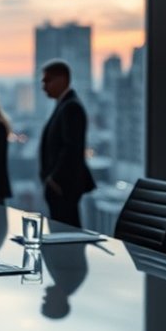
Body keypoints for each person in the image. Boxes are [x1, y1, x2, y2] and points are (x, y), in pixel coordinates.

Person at [39, 59, 96, 227]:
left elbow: (71, 148)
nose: (43, 86)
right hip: (61, 185)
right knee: (63, 232)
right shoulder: (65, 105)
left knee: (65, 233)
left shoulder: (71, 107)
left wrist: (54, 179)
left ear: (62, 79)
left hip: (63, 185)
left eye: (47, 80)